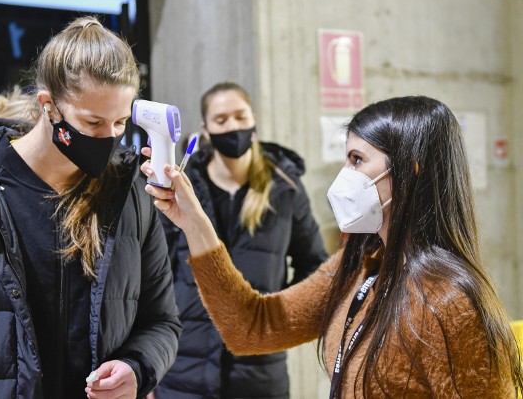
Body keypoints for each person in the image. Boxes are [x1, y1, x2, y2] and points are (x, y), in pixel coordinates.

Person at [143, 96, 523, 398]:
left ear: (411, 172)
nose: (344, 176)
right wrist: (193, 222)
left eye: (357, 160)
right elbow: (253, 327)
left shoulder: (450, 304)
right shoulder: (359, 266)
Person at [0, 16, 181, 399]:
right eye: (92, 122)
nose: (108, 138)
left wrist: (138, 367)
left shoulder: (129, 195)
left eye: (120, 123)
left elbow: (162, 321)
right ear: (48, 106)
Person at [154, 82, 327, 399]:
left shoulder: (284, 187)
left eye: (240, 116)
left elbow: (315, 266)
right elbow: (155, 271)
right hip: (182, 370)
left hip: (258, 376)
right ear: (205, 130)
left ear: (254, 121)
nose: (233, 126)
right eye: (221, 120)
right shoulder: (183, 189)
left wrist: (275, 315)